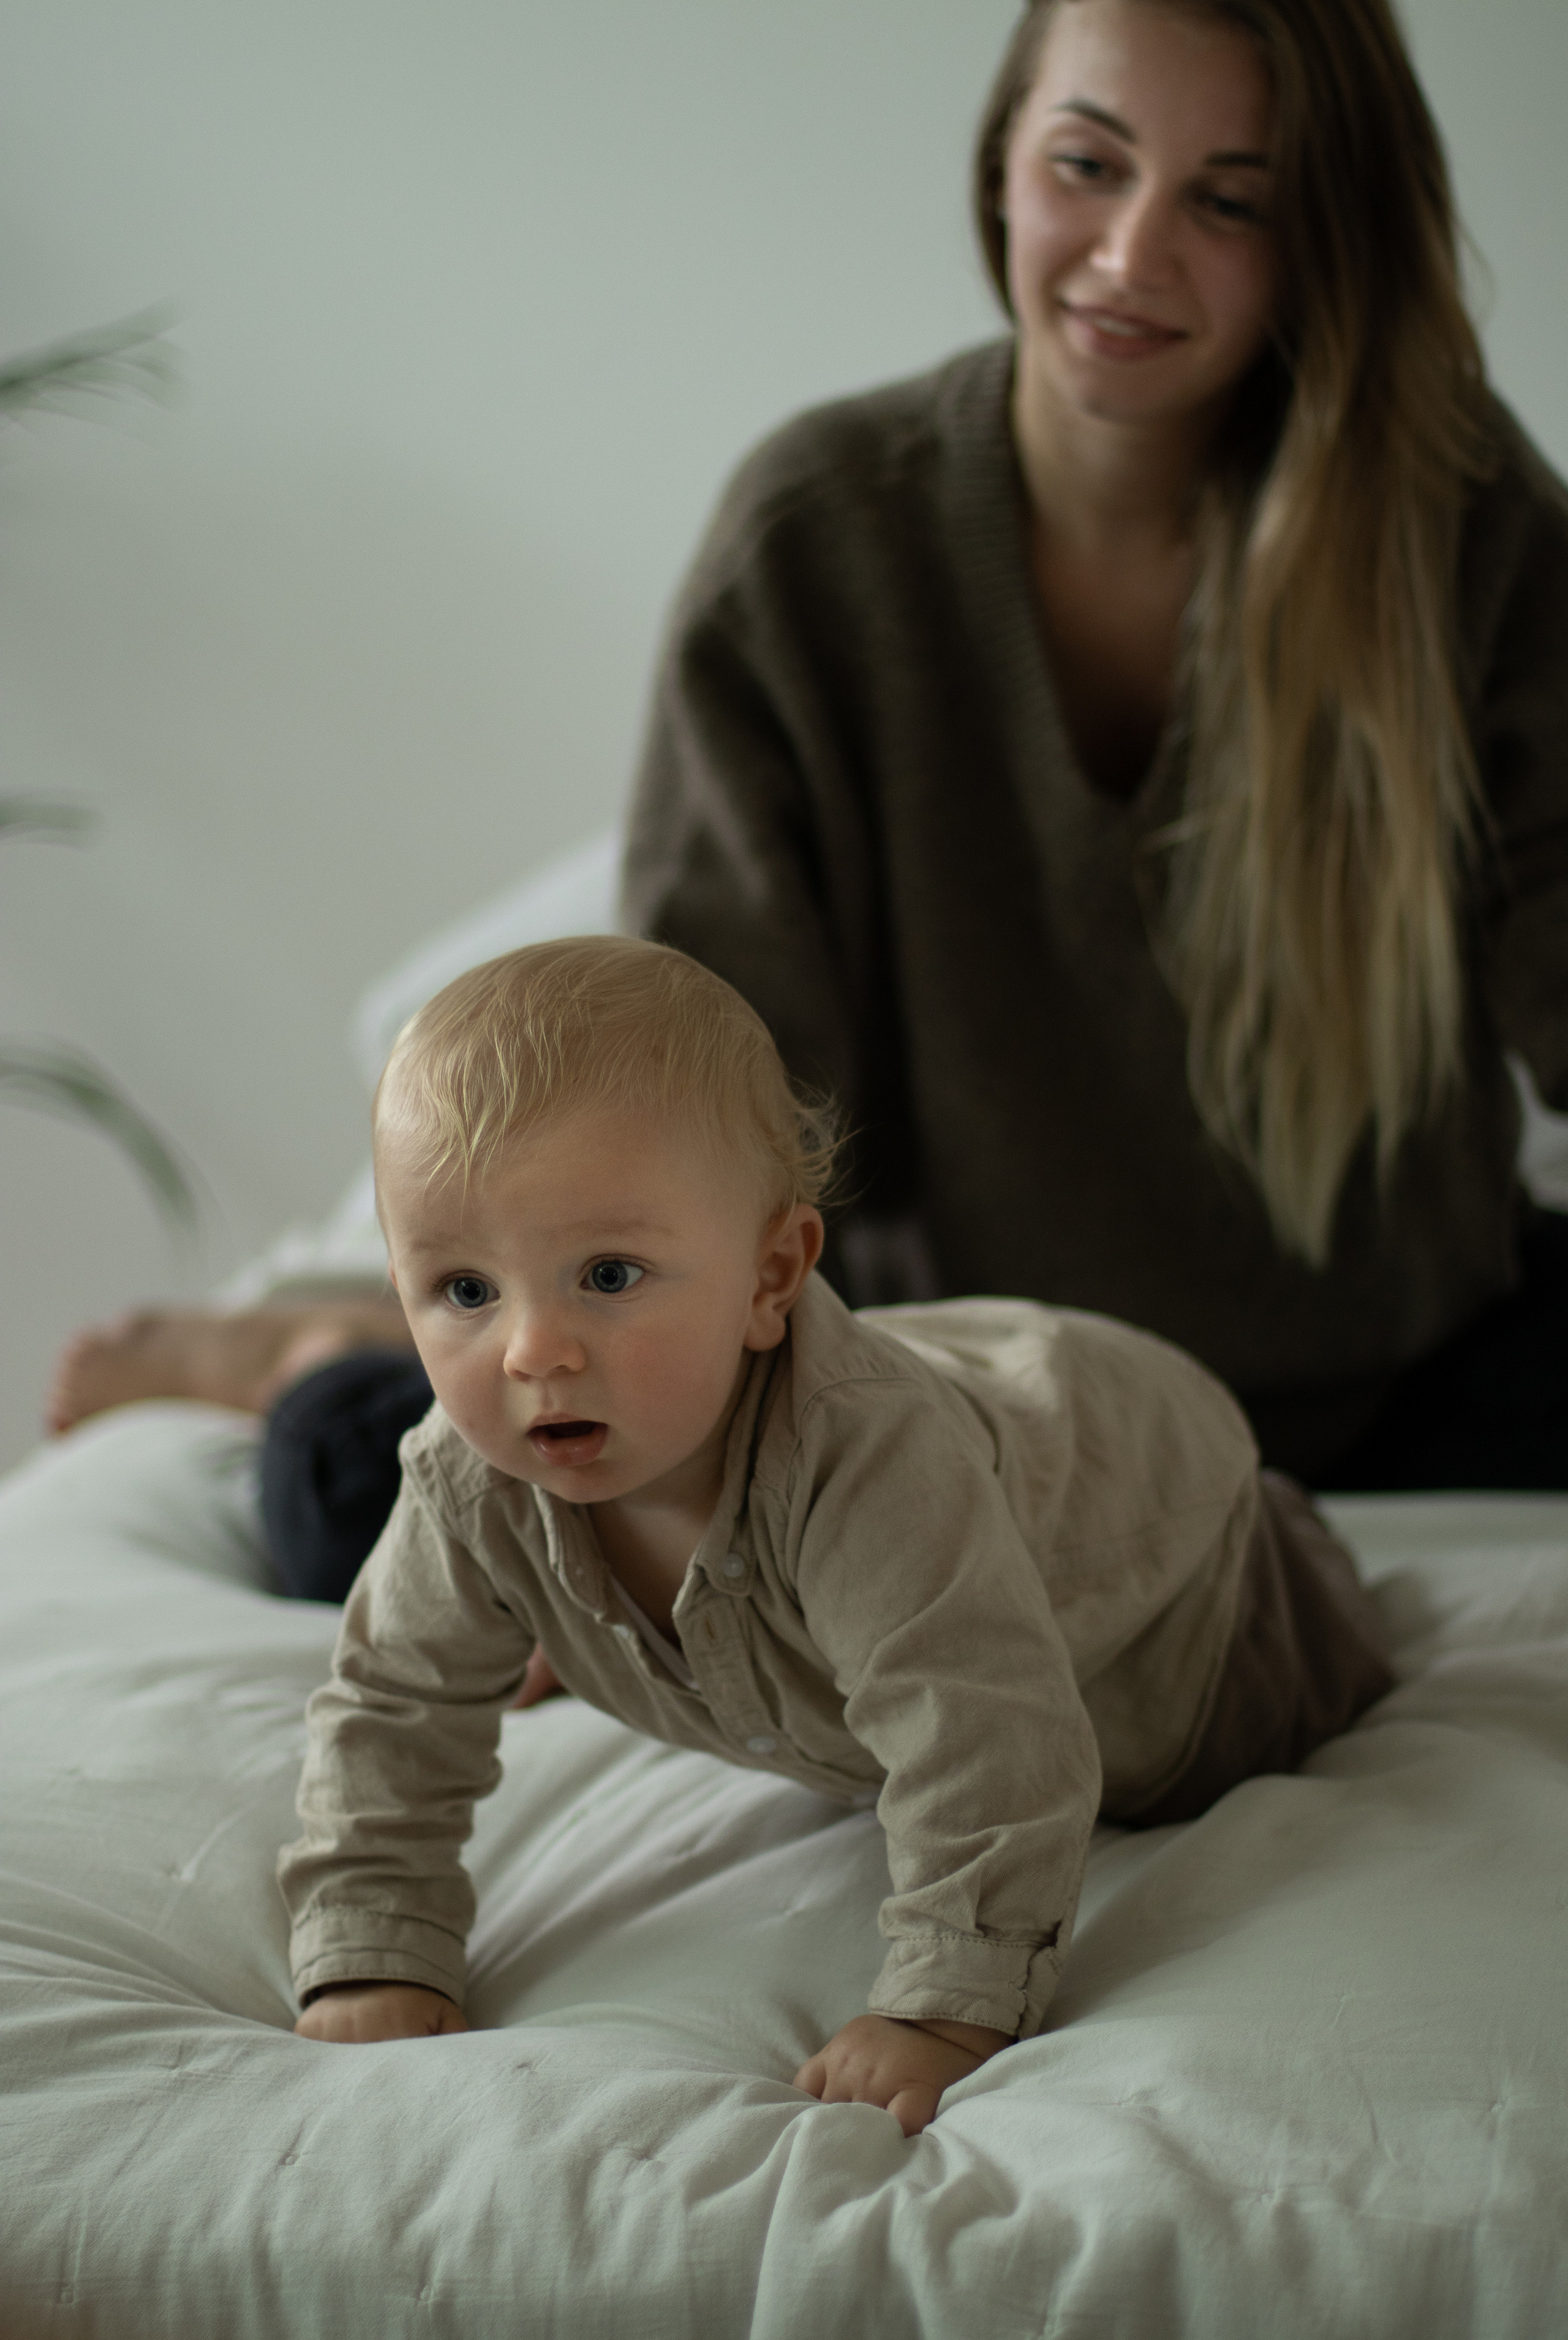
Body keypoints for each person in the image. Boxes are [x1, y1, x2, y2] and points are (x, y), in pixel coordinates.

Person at [45, 0, 1568, 1593]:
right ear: (1001, 171)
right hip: (953, 1374)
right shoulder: (818, 545)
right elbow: (711, 1104)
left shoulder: (1461, 530)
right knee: (391, 1515)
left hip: (1399, 1363)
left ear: (1329, 233)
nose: (1130, 253)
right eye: (1087, 164)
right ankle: (311, 1352)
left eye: (1231, 198)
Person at [279, 935, 1390, 2133]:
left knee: (1301, 1671)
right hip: (955, 1421)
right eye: (463, 1291)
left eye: (607, 1274)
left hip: (1184, 1565)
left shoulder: (865, 1469)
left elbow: (985, 1739)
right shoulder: (467, 1484)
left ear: (772, 1277)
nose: (530, 1351)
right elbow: (391, 1705)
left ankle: (1290, 1521)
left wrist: (945, 2006)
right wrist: (371, 1939)